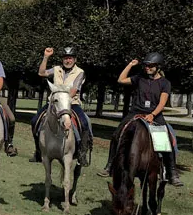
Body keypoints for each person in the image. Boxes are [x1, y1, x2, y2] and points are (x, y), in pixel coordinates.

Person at [96, 53, 183, 187]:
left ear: (158, 67)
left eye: (151, 66)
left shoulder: (165, 83)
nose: (147, 67)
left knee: (165, 140)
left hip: (155, 114)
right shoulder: (139, 78)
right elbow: (121, 80)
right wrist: (130, 65)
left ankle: (172, 172)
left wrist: (153, 115)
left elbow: (162, 103)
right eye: (146, 65)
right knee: (116, 135)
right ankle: (109, 166)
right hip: (136, 112)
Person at [29, 47, 92, 166]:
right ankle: (38, 151)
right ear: (62, 60)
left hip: (72, 103)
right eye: (65, 58)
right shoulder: (56, 69)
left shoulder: (80, 72)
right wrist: (46, 57)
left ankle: (81, 153)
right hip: (54, 103)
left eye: (70, 58)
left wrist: (64, 99)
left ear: (74, 60)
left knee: (84, 123)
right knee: (34, 121)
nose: (68, 61)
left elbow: (74, 90)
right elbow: (41, 73)